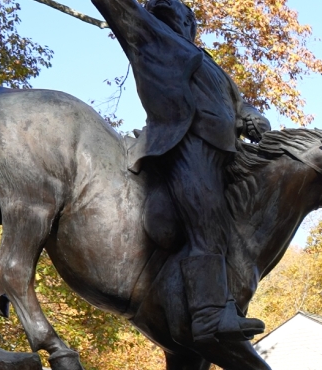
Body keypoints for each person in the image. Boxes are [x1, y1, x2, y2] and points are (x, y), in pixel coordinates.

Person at [91, 0, 271, 345]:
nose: (190, 20)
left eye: (190, 17)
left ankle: (227, 304)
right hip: (185, 143)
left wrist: (252, 117)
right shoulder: (152, 36)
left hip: (229, 153)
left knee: (235, 227)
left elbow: (237, 102)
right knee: (206, 218)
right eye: (184, 15)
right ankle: (207, 315)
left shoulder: (208, 60)